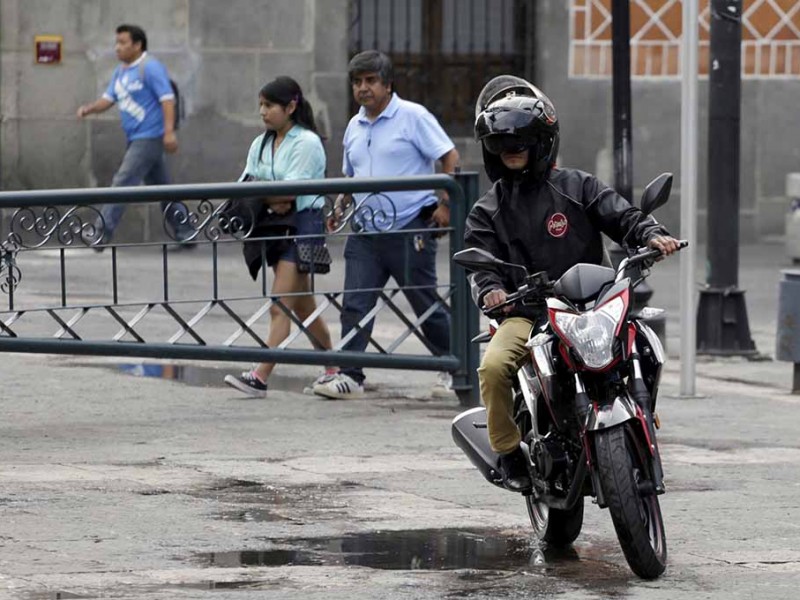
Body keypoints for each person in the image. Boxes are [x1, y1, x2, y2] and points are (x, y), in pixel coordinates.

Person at [464, 76, 680, 492]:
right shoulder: (486, 211)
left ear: (543, 142)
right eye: (504, 144)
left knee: (642, 341)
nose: (512, 151)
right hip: (527, 314)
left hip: (592, 304)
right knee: (492, 368)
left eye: (523, 141)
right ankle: (508, 452)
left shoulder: (578, 187)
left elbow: (620, 215)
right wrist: (490, 289)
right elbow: (479, 263)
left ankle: (643, 413)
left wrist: (649, 234)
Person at [311, 50, 460, 400]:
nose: (363, 89)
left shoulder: (413, 116)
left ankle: (457, 365)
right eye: (357, 82)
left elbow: (449, 156)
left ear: (388, 84)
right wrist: (340, 207)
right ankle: (350, 375)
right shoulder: (354, 124)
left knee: (425, 305)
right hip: (365, 232)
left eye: (370, 81)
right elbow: (352, 175)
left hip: (409, 226)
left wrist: (446, 203)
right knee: (355, 304)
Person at [224, 76, 335, 398]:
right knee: (302, 307)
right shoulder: (261, 143)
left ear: (290, 107)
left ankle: (260, 376)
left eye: (269, 105)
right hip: (273, 229)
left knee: (280, 305)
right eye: (261, 105)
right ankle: (334, 368)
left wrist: (264, 194)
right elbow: (246, 185)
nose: (263, 112)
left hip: (302, 228)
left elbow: (290, 193)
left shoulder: (307, 143)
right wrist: (267, 196)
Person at [77, 24, 192, 245]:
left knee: (123, 181)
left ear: (137, 45)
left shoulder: (150, 67)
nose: (117, 48)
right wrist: (89, 108)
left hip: (149, 137)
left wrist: (169, 132)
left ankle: (102, 232)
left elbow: (167, 99)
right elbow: (108, 99)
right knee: (163, 189)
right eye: (116, 42)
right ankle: (186, 231)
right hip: (135, 137)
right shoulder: (121, 72)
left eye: (122, 43)